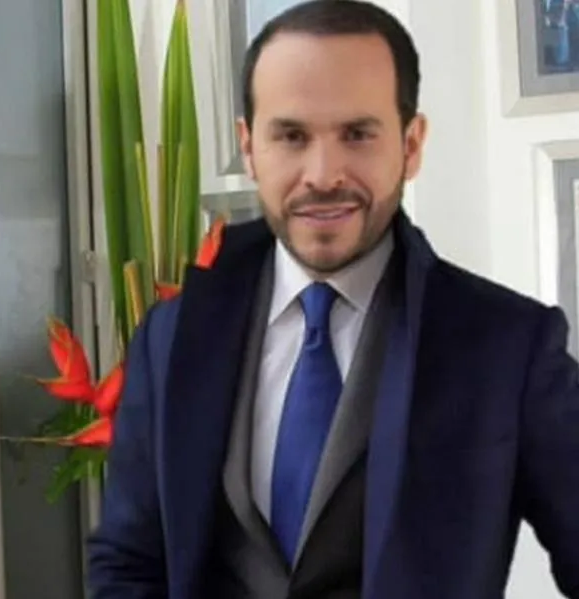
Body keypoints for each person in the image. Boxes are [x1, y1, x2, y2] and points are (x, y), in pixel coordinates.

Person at [88, 1, 579, 597]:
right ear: (249, 146)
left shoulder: (509, 346)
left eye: (357, 135)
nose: (323, 174)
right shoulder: (170, 338)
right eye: (291, 136)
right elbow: (128, 565)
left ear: (412, 144)